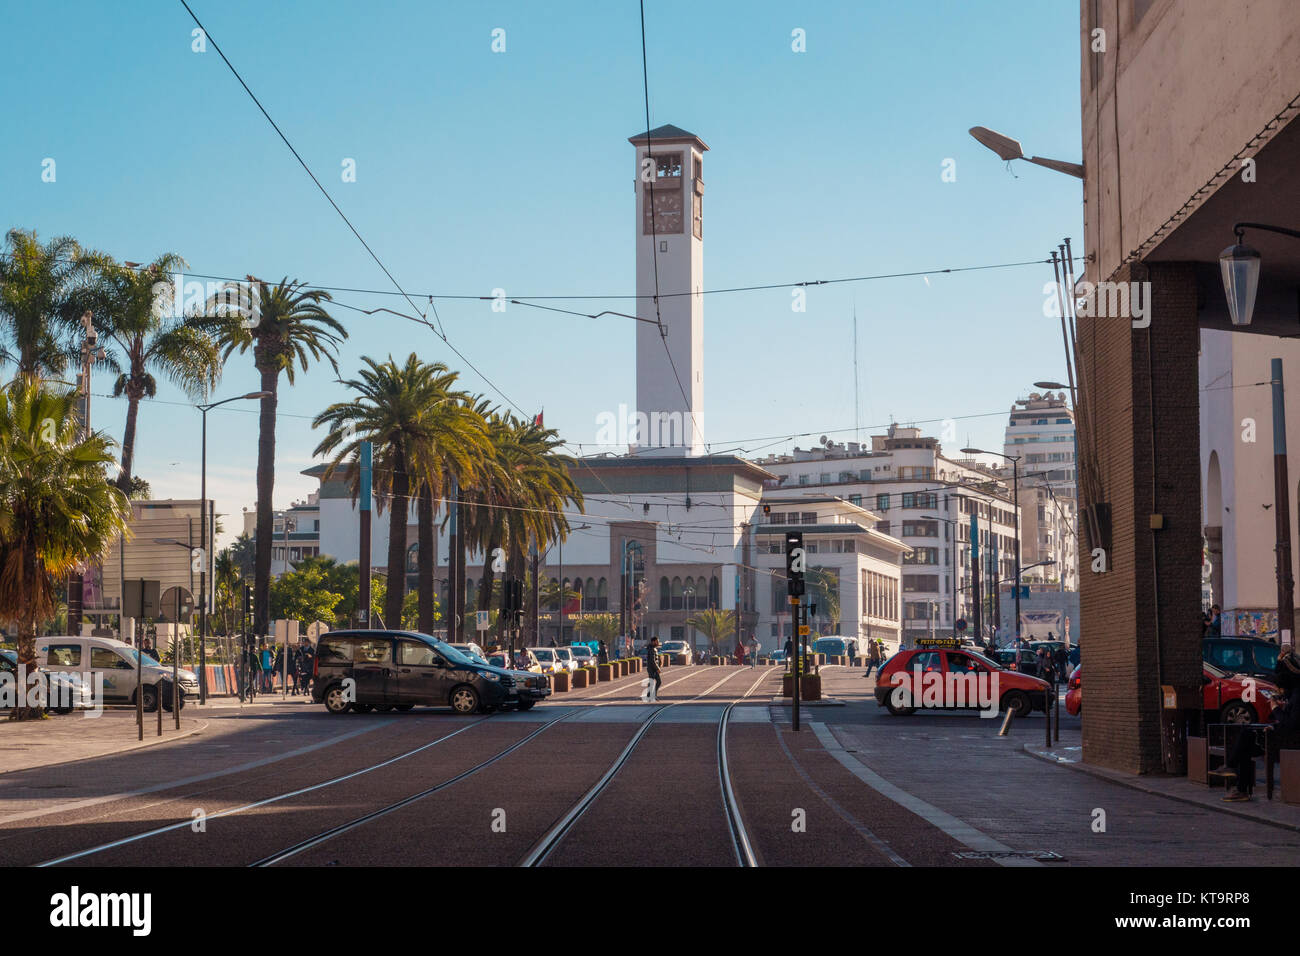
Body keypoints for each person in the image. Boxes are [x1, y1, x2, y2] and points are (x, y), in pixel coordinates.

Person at [1224, 646, 1300, 801]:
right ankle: (1239, 785)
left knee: (1246, 739)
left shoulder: (1298, 696)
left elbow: (1291, 723)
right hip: (1284, 734)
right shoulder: (1294, 693)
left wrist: (1275, 708)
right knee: (1246, 737)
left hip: (1291, 739)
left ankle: (1236, 777)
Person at [642, 637, 662, 702]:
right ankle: (651, 696)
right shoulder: (651, 649)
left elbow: (655, 659)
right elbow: (652, 660)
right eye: (657, 641)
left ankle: (650, 695)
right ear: (653, 642)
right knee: (656, 682)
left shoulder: (653, 648)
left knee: (654, 682)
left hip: (653, 668)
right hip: (652, 669)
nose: (658, 643)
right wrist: (657, 668)